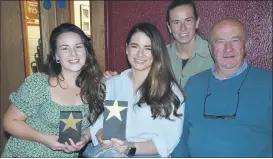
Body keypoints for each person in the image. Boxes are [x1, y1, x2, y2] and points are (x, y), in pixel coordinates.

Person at [1, 23, 105, 157]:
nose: (73, 53)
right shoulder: (40, 84)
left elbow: (96, 125)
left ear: (86, 51)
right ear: (56, 55)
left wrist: (84, 138)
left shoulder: (97, 88)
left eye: (78, 46)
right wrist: (43, 138)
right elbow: (10, 121)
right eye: (65, 48)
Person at [172, 18, 272, 157]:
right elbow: (180, 134)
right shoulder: (194, 84)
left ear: (246, 46)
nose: (228, 48)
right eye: (220, 41)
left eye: (235, 40)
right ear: (210, 48)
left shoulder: (268, 83)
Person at [84, 22, 185, 157]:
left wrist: (129, 147)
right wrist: (101, 133)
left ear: (157, 52)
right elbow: (100, 124)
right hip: (110, 152)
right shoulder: (113, 84)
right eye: (135, 46)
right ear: (127, 49)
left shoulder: (171, 92)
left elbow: (168, 141)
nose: (140, 54)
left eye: (147, 48)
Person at [103, 0, 214, 88]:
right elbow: (140, 77)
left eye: (188, 20)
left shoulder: (215, 53)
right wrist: (118, 80)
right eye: (176, 22)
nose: (182, 28)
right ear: (169, 27)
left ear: (197, 22)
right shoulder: (158, 54)